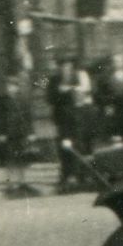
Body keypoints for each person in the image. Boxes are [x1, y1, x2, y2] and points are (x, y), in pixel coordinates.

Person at [46, 56, 95, 192]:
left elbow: (84, 95)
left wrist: (72, 91)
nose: (65, 69)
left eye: (68, 66)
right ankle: (67, 175)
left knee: (78, 145)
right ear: (59, 67)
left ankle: (80, 174)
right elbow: (48, 97)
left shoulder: (77, 78)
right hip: (61, 119)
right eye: (63, 66)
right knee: (64, 147)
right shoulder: (52, 79)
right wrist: (60, 92)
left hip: (77, 119)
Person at [0, 75, 37, 199]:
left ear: (17, 87)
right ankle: (11, 184)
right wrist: (0, 133)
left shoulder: (23, 102)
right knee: (10, 160)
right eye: (8, 86)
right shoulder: (2, 102)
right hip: (8, 135)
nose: (10, 89)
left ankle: (22, 182)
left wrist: (31, 133)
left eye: (13, 86)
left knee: (21, 159)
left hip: (21, 134)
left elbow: (28, 118)